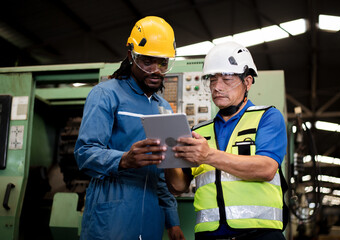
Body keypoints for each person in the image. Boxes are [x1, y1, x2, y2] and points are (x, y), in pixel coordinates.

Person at [74, 16, 185, 240]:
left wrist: (172, 221)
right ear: (131, 55)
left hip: (152, 219)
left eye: (162, 62)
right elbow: (85, 153)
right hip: (111, 218)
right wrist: (124, 159)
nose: (156, 70)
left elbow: (163, 174)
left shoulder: (163, 108)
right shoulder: (106, 94)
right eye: (147, 61)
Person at [165, 41, 288, 240]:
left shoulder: (267, 117)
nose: (217, 86)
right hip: (210, 236)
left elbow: (266, 168)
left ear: (247, 82)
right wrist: (167, 156)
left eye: (227, 79)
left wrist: (208, 155)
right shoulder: (199, 131)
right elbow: (178, 187)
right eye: (213, 79)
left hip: (260, 235)